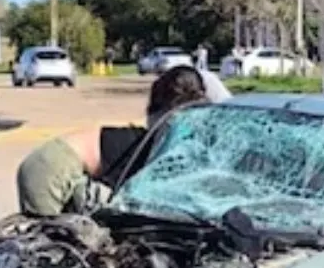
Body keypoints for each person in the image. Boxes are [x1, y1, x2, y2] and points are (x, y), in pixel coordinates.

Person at [15, 66, 216, 217]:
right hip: (51, 169)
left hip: (61, 165)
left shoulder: (151, 138)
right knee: (48, 250)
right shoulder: (148, 148)